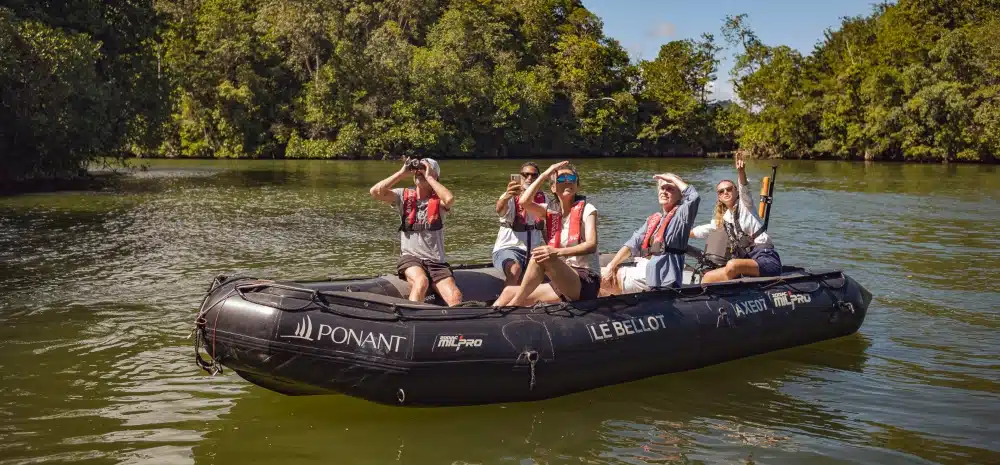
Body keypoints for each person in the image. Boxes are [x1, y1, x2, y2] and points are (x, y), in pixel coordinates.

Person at [492, 161, 600, 306]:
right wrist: (544, 175)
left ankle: (513, 306)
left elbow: (591, 245)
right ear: (553, 187)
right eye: (562, 179)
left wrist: (557, 252)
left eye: (572, 179)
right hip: (561, 280)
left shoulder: (588, 209)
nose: (567, 182)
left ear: (577, 185)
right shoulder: (550, 210)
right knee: (507, 293)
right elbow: (524, 202)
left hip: (585, 280)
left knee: (542, 255)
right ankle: (491, 319)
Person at [369, 157, 464, 306]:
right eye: (417, 173)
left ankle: (456, 327)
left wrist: (430, 177)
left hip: (436, 261)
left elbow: (449, 199)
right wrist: (402, 173)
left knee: (455, 296)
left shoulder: (439, 200)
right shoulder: (403, 195)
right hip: (411, 258)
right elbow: (375, 192)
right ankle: (412, 319)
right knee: (421, 282)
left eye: (424, 171)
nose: (420, 174)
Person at [690, 151, 781, 283]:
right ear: (719, 197)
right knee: (708, 276)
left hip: (765, 258)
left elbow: (744, 188)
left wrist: (741, 172)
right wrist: (682, 234)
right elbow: (703, 230)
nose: (725, 192)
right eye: (721, 191)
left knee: (732, 265)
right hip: (747, 260)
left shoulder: (745, 205)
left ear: (735, 191)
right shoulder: (725, 219)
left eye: (729, 189)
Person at [600, 173, 700, 295]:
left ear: (680, 195)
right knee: (602, 271)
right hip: (644, 267)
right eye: (662, 188)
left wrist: (673, 178)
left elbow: (694, 197)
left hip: (662, 274)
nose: (664, 191)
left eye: (670, 189)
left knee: (602, 279)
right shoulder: (654, 219)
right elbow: (633, 243)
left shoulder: (682, 216)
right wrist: (611, 266)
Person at [492, 162, 546, 286]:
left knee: (554, 269)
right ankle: (505, 304)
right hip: (509, 249)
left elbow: (546, 229)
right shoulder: (509, 197)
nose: (529, 178)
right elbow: (500, 210)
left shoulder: (544, 198)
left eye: (534, 175)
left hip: (533, 251)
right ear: (519, 177)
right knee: (514, 269)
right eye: (525, 175)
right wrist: (506, 196)